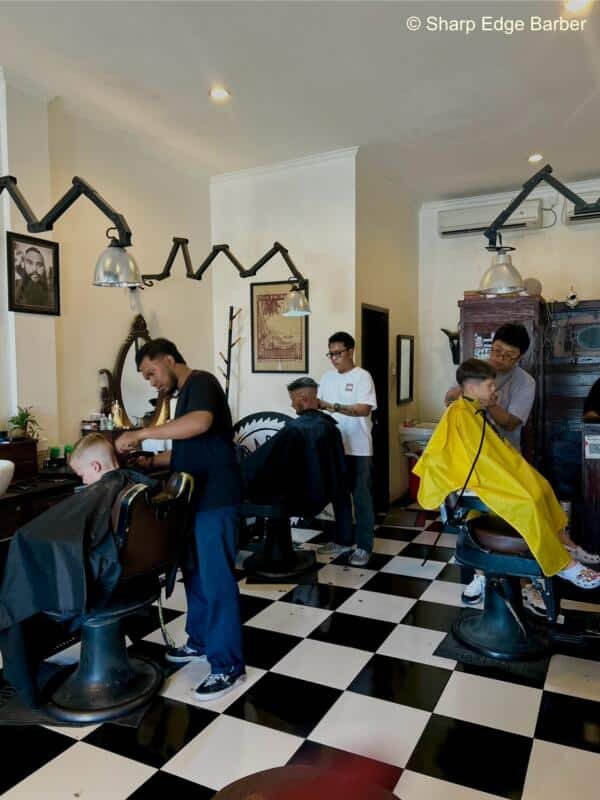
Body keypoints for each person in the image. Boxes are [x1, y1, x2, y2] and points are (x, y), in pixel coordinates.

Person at [115, 338, 245, 701]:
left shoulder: (201, 382)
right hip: (194, 499)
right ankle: (200, 640)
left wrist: (141, 433)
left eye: (151, 372)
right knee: (195, 574)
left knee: (217, 579)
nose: (152, 381)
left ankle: (227, 666)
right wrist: (150, 461)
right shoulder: (183, 396)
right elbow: (188, 450)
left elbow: (200, 424)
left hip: (216, 499)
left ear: (169, 359)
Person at [415, 358, 600, 589]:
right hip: (476, 483)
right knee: (528, 501)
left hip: (492, 475)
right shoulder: (458, 413)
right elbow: (458, 459)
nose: (495, 389)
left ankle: (565, 543)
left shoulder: (475, 410)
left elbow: (493, 452)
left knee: (541, 486)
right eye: (490, 385)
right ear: (472, 388)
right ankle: (563, 565)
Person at [0, 434, 139, 706]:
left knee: (21, 592)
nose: (83, 482)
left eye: (82, 474)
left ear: (97, 468)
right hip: (133, 574)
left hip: (110, 583)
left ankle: (24, 676)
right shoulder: (130, 484)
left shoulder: (101, 491)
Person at [445, 323, 536, 603]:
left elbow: (511, 421)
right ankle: (481, 575)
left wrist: (489, 401)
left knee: (512, 516)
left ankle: (522, 579)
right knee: (475, 516)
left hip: (506, 459)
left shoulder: (525, 382)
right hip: (476, 459)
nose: (499, 358)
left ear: (519, 357)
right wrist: (462, 393)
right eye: (496, 350)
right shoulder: (476, 369)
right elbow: (449, 399)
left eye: (508, 355)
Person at [318, 332, 377, 567]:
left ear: (351, 351)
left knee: (361, 497)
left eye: (338, 353)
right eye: (330, 354)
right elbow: (319, 406)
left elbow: (364, 409)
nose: (334, 358)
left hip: (359, 448)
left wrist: (334, 406)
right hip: (336, 447)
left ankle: (364, 546)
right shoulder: (326, 378)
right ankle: (343, 539)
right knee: (339, 496)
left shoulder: (363, 377)